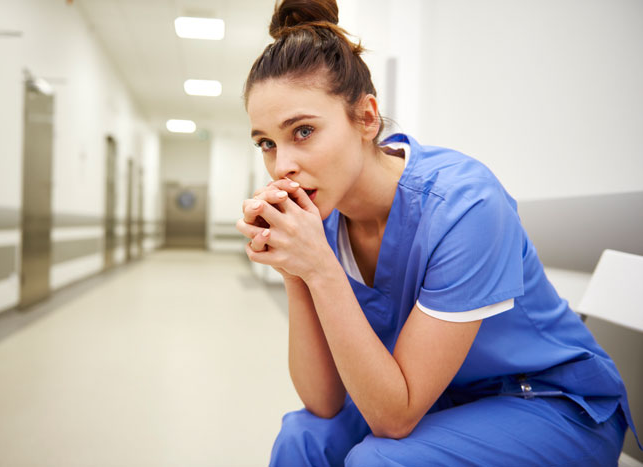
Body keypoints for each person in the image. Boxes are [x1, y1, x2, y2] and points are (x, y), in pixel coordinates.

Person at [236, 0, 640, 465]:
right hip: (442, 401)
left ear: (367, 118)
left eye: (303, 131)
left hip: (547, 405)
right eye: (266, 143)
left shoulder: (465, 204)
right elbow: (323, 404)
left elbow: (393, 419)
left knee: (378, 460)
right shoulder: (321, 221)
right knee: (301, 437)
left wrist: (320, 269)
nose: (281, 165)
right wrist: (293, 268)